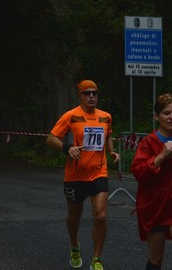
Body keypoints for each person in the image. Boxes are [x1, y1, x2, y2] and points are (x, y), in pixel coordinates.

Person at [46, 80, 120, 270]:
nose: (91, 96)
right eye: (87, 93)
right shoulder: (71, 116)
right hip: (75, 175)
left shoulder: (106, 117)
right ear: (80, 96)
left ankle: (96, 259)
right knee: (74, 215)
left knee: (101, 216)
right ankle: (74, 246)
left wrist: (111, 152)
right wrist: (67, 148)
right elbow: (51, 138)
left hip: (98, 172)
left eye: (94, 93)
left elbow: (108, 135)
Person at [130, 94, 172, 270]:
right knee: (155, 259)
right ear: (157, 117)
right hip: (154, 205)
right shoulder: (148, 143)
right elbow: (138, 173)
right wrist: (161, 156)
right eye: (167, 113)